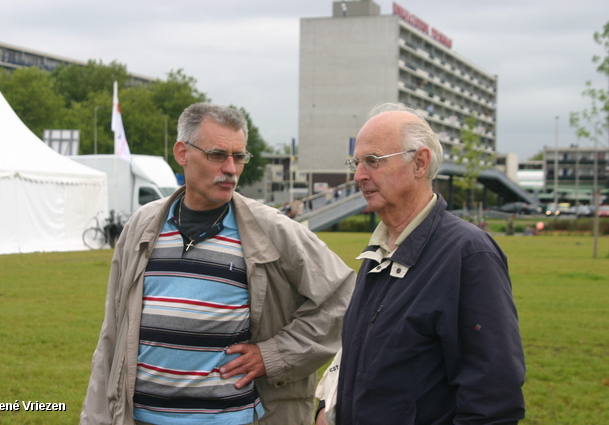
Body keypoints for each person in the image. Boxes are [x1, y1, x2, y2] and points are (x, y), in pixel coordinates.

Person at [80, 103, 356, 425]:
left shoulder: (272, 229)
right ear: (182, 153)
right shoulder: (143, 224)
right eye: (217, 155)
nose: (231, 169)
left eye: (239, 156)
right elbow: (112, 334)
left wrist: (275, 354)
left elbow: (343, 297)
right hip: (140, 417)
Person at [316, 103, 525, 424]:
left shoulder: (468, 255)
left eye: (372, 161)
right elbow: (361, 357)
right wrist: (329, 409)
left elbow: (493, 396)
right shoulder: (378, 253)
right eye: (356, 162)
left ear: (420, 163)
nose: (358, 175)